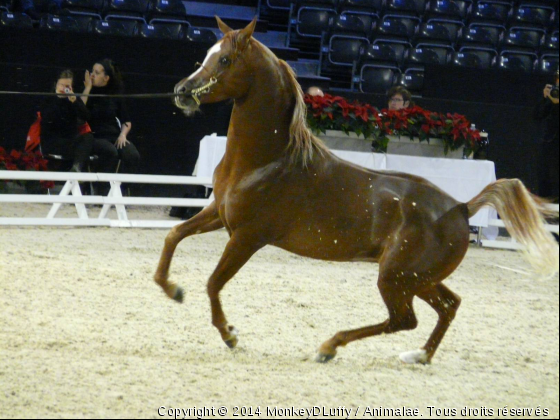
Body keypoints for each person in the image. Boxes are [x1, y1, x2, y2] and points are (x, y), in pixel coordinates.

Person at [81, 59, 140, 177]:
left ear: (106, 78)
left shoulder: (114, 95)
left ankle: (121, 187)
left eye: (97, 73)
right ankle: (102, 188)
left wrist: (123, 135)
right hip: (94, 136)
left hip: (113, 136)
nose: (92, 75)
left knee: (132, 155)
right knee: (110, 152)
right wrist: (87, 88)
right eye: (92, 71)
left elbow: (126, 120)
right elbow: (79, 110)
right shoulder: (87, 93)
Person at [39, 69, 94, 172]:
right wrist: (59, 98)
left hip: (70, 140)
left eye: (67, 86)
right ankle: (77, 175)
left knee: (88, 138)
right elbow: (48, 119)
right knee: (82, 153)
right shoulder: (49, 100)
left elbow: (86, 116)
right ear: (56, 84)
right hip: (53, 142)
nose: (64, 88)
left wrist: (75, 102)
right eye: (61, 85)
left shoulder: (73, 99)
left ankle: (76, 169)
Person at [533, 69, 559, 201]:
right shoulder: (553, 96)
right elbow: (537, 116)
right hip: (550, 146)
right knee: (546, 179)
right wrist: (545, 99)